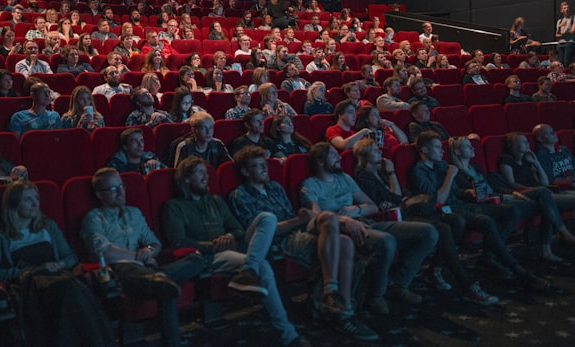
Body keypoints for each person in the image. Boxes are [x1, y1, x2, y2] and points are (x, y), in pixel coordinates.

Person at [228, 146, 378, 341]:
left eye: (264, 164)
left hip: (298, 230)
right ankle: (340, 308)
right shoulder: (240, 195)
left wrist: (300, 220)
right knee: (344, 244)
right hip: (281, 240)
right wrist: (298, 221)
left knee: (337, 230)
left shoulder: (274, 187)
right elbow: (260, 232)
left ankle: (336, 301)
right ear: (246, 172)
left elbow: (294, 217)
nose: (265, 169)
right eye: (258, 166)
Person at [162, 157, 312, 347]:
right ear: (185, 179)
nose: (206, 176)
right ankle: (289, 335)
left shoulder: (215, 200)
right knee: (263, 266)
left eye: (206, 172)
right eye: (200, 172)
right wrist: (213, 245)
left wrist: (230, 236)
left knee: (267, 217)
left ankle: (248, 271)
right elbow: (179, 242)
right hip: (211, 255)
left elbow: (239, 229)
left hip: (236, 245)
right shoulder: (174, 207)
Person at [354, 139, 499, 305]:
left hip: (411, 209)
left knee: (455, 220)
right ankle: (466, 285)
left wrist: (390, 175)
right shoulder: (364, 176)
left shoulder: (381, 171)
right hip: (397, 216)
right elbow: (394, 197)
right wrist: (392, 173)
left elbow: (398, 195)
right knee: (442, 229)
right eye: (374, 150)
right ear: (364, 155)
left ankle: (434, 270)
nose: (380, 152)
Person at [302, 142, 438, 312]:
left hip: (367, 221)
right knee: (387, 241)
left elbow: (372, 206)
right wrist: (344, 220)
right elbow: (317, 217)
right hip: (344, 229)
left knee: (428, 232)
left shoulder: (345, 178)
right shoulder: (311, 184)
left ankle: (398, 283)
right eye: (333, 154)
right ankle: (377, 295)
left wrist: (356, 209)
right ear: (320, 161)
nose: (339, 157)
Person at [408, 132, 549, 290]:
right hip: (446, 212)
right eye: (437, 148)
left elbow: (456, 192)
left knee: (511, 210)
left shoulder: (441, 166)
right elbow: (439, 200)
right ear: (424, 150)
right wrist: (449, 176)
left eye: (442, 148)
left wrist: (469, 193)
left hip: (462, 204)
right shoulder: (418, 171)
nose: (442, 151)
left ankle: (489, 257)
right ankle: (518, 270)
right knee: (485, 221)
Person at [81, 168, 206, 347]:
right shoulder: (94, 218)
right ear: (99, 194)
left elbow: (154, 244)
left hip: (147, 269)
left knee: (197, 259)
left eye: (121, 186)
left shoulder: (134, 213)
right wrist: (138, 257)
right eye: (113, 189)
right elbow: (104, 252)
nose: (120, 192)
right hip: (119, 269)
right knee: (162, 287)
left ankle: (159, 279)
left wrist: (148, 251)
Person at [0, 181, 116, 347]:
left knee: (72, 288)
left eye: (36, 198)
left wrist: (59, 263)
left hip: (59, 277)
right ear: (14, 204)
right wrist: (32, 270)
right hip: (31, 285)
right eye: (27, 199)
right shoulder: (1, 237)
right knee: (69, 290)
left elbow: (70, 257)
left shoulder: (48, 226)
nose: (35, 203)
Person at [452, 134, 575, 263]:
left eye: (471, 145)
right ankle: (553, 243)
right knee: (543, 198)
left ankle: (551, 246)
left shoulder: (476, 167)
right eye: (467, 146)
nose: (472, 148)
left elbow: (495, 186)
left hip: (506, 196)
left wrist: (513, 193)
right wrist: (509, 195)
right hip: (494, 202)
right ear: (457, 151)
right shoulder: (457, 173)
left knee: (544, 197)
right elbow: (472, 196)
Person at [555, 1, 575, 66]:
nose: (566, 9)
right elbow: (557, 35)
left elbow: (572, 31)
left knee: (567, 61)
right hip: (560, 43)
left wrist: (562, 33)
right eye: (564, 8)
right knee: (560, 62)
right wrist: (560, 26)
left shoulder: (573, 18)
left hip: (569, 43)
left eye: (567, 8)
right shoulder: (559, 21)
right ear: (561, 10)